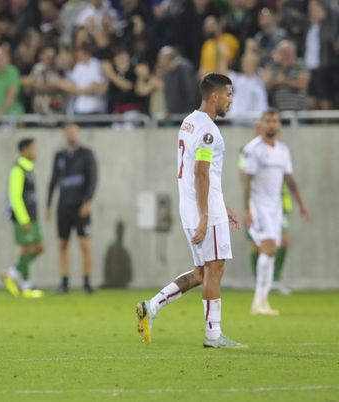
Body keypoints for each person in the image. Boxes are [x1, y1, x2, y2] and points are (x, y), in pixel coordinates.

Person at [136, 73, 247, 349]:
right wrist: (208, 215)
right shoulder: (209, 130)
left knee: (201, 272)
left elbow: (201, 176)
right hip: (204, 210)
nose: (230, 100)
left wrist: (222, 204)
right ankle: (213, 335)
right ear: (215, 96)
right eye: (229, 94)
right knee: (215, 268)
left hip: (191, 206)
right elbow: (200, 173)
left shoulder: (188, 122)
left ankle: (151, 307)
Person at [241, 109, 309, 315]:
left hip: (276, 207)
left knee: (271, 252)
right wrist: (247, 209)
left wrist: (301, 203)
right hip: (259, 206)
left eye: (275, 121)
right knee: (268, 248)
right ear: (261, 124)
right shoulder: (253, 149)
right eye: (267, 121)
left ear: (279, 124)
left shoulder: (283, 150)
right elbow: (246, 180)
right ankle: (257, 301)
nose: (271, 124)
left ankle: (263, 301)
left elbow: (289, 179)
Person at [45, 123, 98, 294]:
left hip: (80, 206)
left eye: (74, 132)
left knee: (84, 244)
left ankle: (87, 281)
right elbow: (53, 181)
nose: (71, 135)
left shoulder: (86, 154)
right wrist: (48, 205)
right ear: (64, 135)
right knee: (62, 244)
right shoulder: (59, 155)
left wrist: (87, 202)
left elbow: (93, 179)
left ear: (79, 133)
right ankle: (65, 282)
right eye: (68, 132)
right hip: (63, 206)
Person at [3, 138, 45, 299]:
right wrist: (23, 218)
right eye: (33, 148)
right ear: (24, 150)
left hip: (32, 217)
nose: (36, 151)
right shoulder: (17, 169)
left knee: (39, 248)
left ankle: (11, 273)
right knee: (27, 249)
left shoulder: (29, 169)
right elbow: (14, 196)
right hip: (24, 218)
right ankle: (26, 286)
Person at [262, 40, 310, 111]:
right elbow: (266, 86)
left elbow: (302, 84)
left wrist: (284, 81)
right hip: (279, 112)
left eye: (289, 52)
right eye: (284, 52)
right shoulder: (273, 66)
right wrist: (276, 81)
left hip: (298, 112)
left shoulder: (300, 65)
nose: (287, 55)